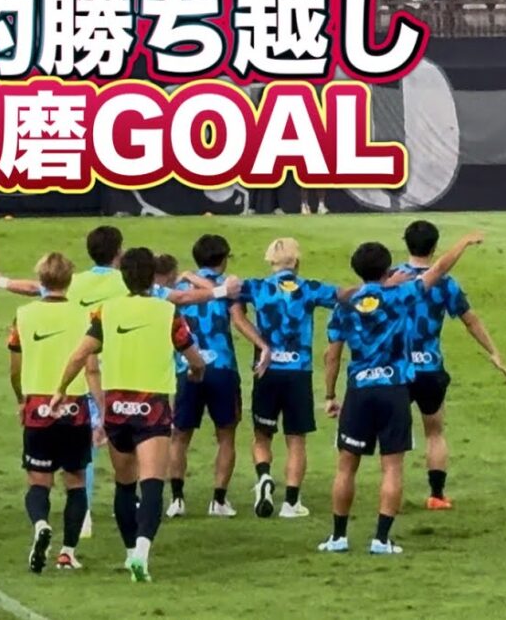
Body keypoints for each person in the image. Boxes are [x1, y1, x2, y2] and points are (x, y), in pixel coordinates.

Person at [0, 226, 234, 538]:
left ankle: (84, 516)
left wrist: (0, 281)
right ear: (118, 252)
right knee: (132, 444)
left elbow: (36, 288)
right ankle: (137, 511)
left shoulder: (75, 282)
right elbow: (183, 297)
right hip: (124, 371)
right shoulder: (128, 282)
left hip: (82, 367)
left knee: (87, 446)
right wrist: (221, 291)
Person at [321, 232, 484, 555]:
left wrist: (329, 395)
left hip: (359, 391)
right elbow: (438, 269)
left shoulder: (345, 304)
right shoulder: (400, 295)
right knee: (392, 467)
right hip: (394, 389)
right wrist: (463, 243)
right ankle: (381, 540)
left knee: (346, 467)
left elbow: (332, 355)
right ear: (387, 269)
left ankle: (338, 537)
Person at [51, 247, 206, 583]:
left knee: (124, 485)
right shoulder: (167, 311)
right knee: (152, 485)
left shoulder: (106, 311)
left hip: (117, 409)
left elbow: (79, 355)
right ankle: (142, 554)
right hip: (152, 407)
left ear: (123, 278)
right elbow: (193, 355)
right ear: (153, 277)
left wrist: (61, 387)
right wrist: (197, 371)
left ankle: (128, 550)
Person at [392, 221, 506, 510]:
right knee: (434, 433)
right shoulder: (445, 283)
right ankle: (436, 495)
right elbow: (471, 321)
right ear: (434, 246)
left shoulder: (392, 278)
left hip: (395, 369)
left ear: (406, 243)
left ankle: (390, 496)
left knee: (394, 438)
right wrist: (494, 352)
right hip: (429, 368)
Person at [234, 238, 341, 519]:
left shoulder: (256, 287)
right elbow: (344, 297)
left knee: (262, 437)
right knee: (296, 440)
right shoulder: (310, 288)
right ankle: (291, 503)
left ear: (270, 261)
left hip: (266, 370)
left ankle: (264, 476)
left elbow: (229, 299)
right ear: (297, 261)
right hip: (298, 373)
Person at [166, 237, 271, 519]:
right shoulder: (228, 287)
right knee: (226, 436)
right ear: (223, 259)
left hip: (186, 366)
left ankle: (177, 499)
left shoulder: (179, 288)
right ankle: (218, 501)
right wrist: (262, 345)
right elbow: (239, 320)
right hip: (222, 368)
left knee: (180, 436)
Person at [8, 253, 94, 573]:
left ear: (41, 279)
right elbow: (91, 363)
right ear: (70, 279)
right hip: (74, 406)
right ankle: (67, 553)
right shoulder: (86, 315)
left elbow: (15, 369)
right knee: (76, 481)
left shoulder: (23, 315)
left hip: (38, 407)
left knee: (38, 480)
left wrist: (21, 399)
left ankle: (41, 524)